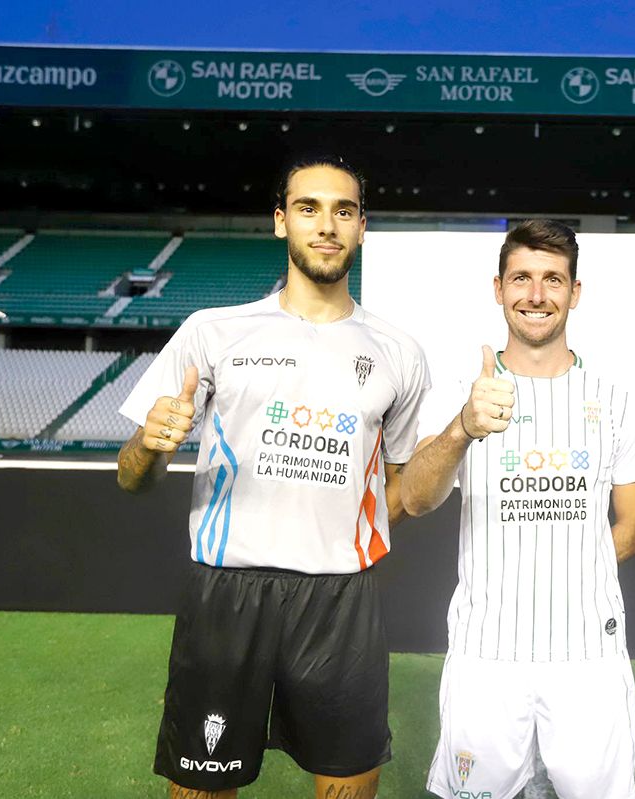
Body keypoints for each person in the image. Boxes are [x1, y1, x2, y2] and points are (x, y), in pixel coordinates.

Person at [116, 154, 429, 799]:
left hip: (341, 601)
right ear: (281, 222)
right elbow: (132, 479)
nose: (327, 224)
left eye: (344, 210)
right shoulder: (213, 331)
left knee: (349, 784)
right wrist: (149, 444)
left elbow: (396, 485)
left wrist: (346, 530)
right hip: (227, 596)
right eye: (309, 208)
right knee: (201, 788)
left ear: (362, 228)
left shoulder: (398, 351)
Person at [399, 219, 635, 799]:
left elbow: (634, 528)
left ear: (575, 292)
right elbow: (414, 497)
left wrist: (563, 573)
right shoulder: (463, 392)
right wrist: (464, 427)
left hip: (588, 653)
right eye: (522, 279)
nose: (536, 295)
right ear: (498, 289)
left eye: (552, 280)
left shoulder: (616, 398)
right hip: (485, 652)